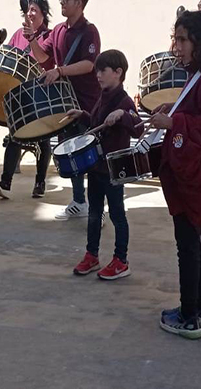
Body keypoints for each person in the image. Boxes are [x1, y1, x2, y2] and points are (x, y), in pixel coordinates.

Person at [151, 10, 201, 340]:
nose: (176, 46)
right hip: (193, 175)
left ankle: (189, 315)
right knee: (197, 239)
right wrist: (174, 108)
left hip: (195, 176)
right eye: (175, 39)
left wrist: (174, 123)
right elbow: (196, 112)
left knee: (189, 245)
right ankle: (199, 306)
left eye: (182, 40)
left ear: (200, 41)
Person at [65, 50, 143, 280]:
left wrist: (122, 114)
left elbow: (138, 127)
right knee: (94, 213)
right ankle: (92, 255)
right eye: (97, 70)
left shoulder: (124, 100)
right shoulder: (103, 96)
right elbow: (97, 124)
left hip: (114, 168)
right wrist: (82, 115)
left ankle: (121, 260)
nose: (98, 75)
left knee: (117, 214)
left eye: (103, 71)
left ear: (118, 73)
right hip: (97, 167)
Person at [29, 0, 101, 220]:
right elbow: (42, 57)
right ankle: (79, 201)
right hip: (65, 102)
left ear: (79, 3)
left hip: (86, 103)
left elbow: (89, 64)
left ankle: (95, 205)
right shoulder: (58, 30)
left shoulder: (89, 31)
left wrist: (59, 71)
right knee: (70, 152)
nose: (61, 2)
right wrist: (31, 39)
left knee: (89, 155)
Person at [0, 0, 55, 200]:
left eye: (34, 10)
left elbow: (42, 57)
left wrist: (32, 37)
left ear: (44, 13)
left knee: (43, 140)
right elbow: (9, 55)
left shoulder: (49, 35)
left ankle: (40, 182)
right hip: (19, 93)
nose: (30, 13)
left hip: (40, 92)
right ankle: (5, 181)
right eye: (28, 10)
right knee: (15, 136)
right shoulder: (18, 33)